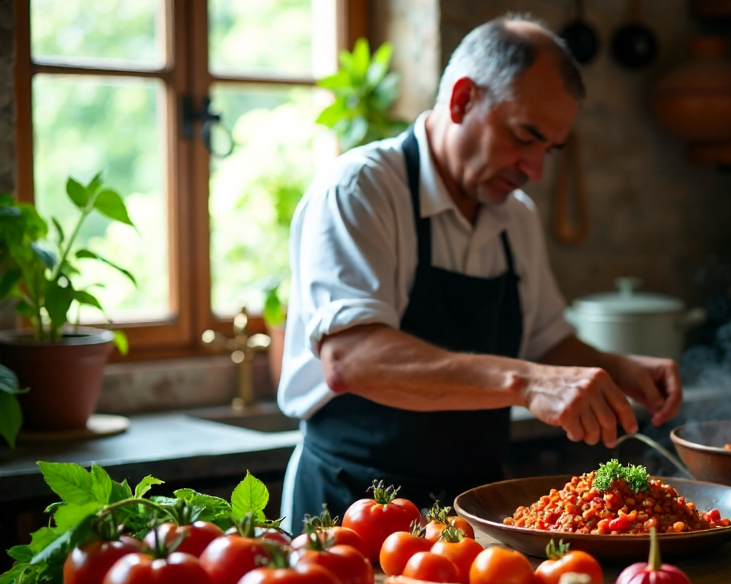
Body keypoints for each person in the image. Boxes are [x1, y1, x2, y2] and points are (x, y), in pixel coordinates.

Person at [277, 16, 683, 533]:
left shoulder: (516, 216)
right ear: (462, 99)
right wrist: (528, 382)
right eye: (525, 136)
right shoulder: (360, 190)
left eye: (548, 149)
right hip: (351, 507)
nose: (534, 169)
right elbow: (351, 359)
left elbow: (544, 342)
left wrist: (619, 369)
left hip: (470, 513)